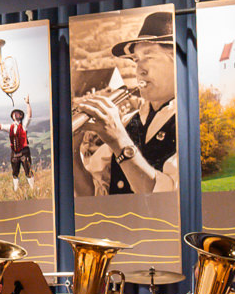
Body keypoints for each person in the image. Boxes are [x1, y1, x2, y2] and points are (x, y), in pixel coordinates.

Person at [74, 11, 178, 195]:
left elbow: (169, 195)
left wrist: (118, 139)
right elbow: (92, 194)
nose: (139, 70)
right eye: (136, 60)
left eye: (149, 57)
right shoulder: (128, 122)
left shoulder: (191, 123)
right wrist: (73, 151)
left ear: (176, 63)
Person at [0, 100, 35, 192]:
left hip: (24, 152)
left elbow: (29, 115)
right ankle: (16, 189)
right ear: (12, 116)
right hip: (14, 153)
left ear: (21, 116)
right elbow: (0, 127)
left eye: (17, 113)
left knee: (28, 171)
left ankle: (32, 189)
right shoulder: (10, 127)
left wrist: (27, 103)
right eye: (14, 113)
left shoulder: (24, 125)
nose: (15, 114)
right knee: (15, 172)